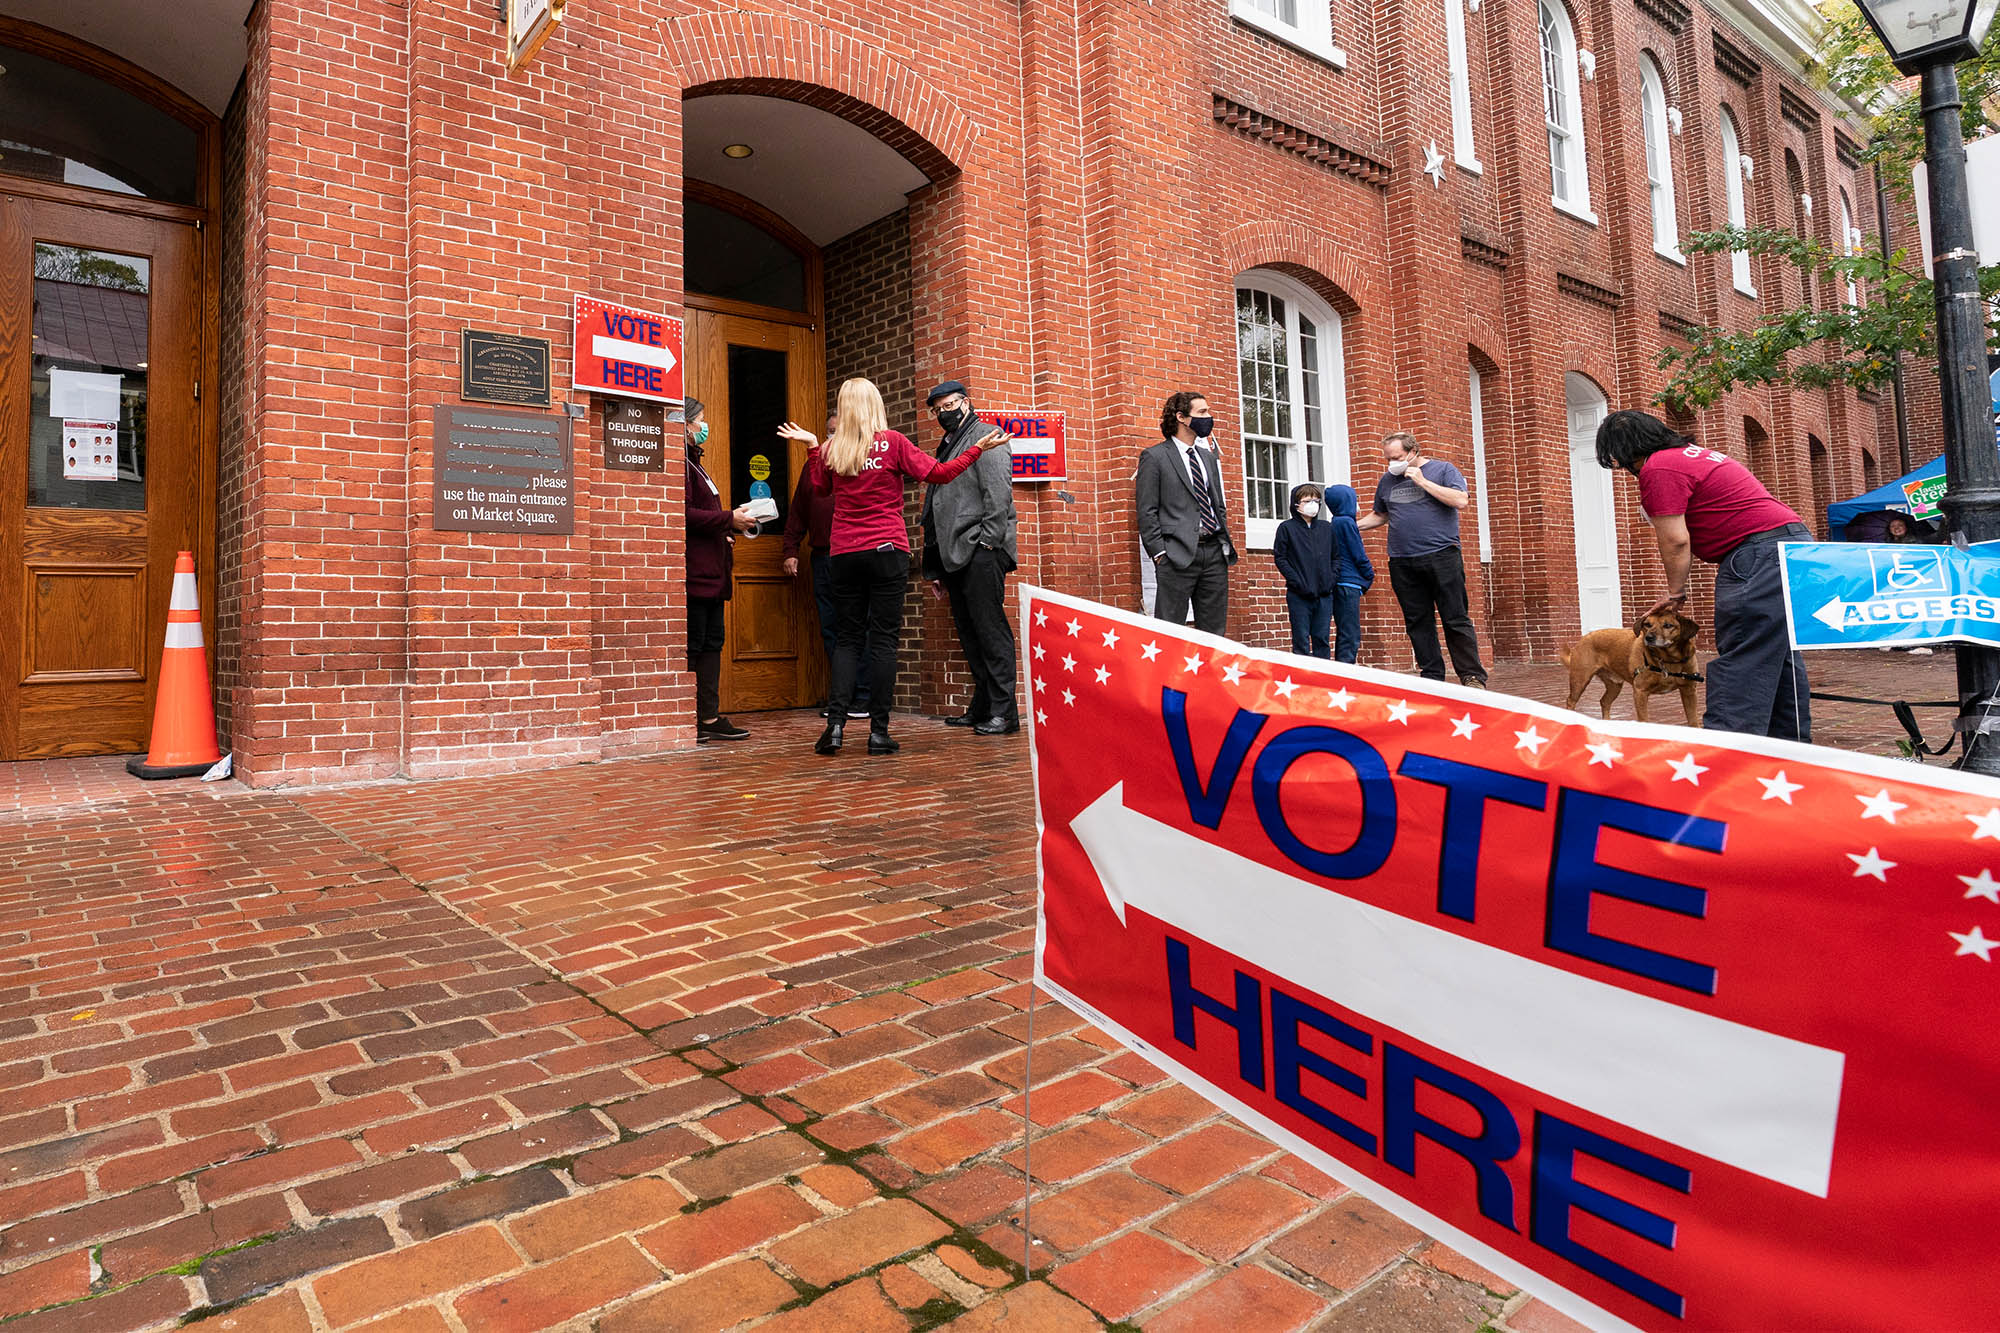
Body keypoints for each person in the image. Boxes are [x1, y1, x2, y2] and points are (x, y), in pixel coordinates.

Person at [778, 379, 1005, 757]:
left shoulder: (835, 448)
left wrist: (813, 446)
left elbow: (819, 490)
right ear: (876, 404)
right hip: (886, 549)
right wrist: (977, 449)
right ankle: (878, 732)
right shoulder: (893, 443)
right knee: (883, 640)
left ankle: (835, 728)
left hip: (844, 552)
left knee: (848, 639)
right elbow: (941, 474)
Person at [1595, 410, 1812, 740]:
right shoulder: (1692, 456)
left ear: (1626, 450)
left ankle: (1728, 754)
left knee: (1743, 655)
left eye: (1620, 460)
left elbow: (1675, 538)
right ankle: (1792, 749)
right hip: (1793, 547)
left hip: (1758, 555)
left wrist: (1674, 592)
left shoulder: (1658, 467)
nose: (1626, 470)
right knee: (1775, 654)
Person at [920, 381, 1019, 734]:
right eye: (937, 409)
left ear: (966, 402)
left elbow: (998, 494)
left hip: (980, 551)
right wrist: (936, 565)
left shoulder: (987, 435)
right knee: (970, 633)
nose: (943, 413)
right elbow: (937, 505)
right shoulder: (949, 444)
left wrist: (989, 544)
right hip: (955, 555)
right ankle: (982, 708)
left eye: (948, 405)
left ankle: (1005, 714)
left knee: (990, 632)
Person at [1358, 431, 1488, 687]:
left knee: (1455, 617)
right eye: (1388, 459)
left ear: (1413, 451)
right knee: (1418, 621)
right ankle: (1431, 677)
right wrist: (1351, 526)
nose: (1391, 463)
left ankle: (1471, 676)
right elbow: (1380, 515)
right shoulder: (1387, 481)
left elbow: (1460, 500)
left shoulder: (1443, 470)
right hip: (1402, 560)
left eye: (1397, 457)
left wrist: (1423, 481)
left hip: (1442, 555)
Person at [783, 414, 870, 721]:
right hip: (822, 557)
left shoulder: (863, 461)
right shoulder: (814, 465)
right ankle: (843, 697)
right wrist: (791, 549)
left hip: (855, 555)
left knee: (859, 625)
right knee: (831, 627)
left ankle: (864, 697)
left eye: (838, 432)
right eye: (829, 432)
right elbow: (799, 510)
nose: (832, 437)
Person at [683, 398, 757, 743]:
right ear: (685, 425)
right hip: (696, 574)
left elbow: (704, 517)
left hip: (713, 572)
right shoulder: (680, 465)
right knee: (695, 646)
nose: (704, 427)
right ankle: (689, 718)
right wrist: (729, 518)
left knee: (713, 643)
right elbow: (683, 514)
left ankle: (709, 717)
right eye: (700, 421)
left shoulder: (696, 464)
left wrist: (727, 529)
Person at [1137, 391, 1238, 633]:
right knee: (1170, 632)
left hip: (1214, 553)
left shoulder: (1208, 457)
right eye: (1202, 412)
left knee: (1214, 634)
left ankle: (1209, 673)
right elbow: (1146, 510)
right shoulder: (1155, 457)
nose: (1209, 417)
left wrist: (1223, 542)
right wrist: (1160, 554)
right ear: (1181, 417)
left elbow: (1217, 504)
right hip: (1176, 556)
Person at [1272, 484, 1337, 658]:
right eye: (1307, 500)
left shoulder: (1326, 528)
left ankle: (1322, 677)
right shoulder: (1287, 528)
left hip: (1324, 594)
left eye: (1316, 500)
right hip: (1299, 594)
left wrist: (1331, 579)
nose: (1312, 504)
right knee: (1300, 639)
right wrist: (1296, 581)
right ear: (1296, 504)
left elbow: (1336, 557)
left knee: (1322, 638)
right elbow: (1281, 558)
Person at [1325, 484, 1374, 664]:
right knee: (1350, 632)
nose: (1357, 505)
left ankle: (1343, 667)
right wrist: (1369, 573)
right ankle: (1346, 670)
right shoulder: (1346, 522)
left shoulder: (1335, 522)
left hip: (1341, 582)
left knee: (1344, 629)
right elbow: (1358, 553)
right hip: (1349, 582)